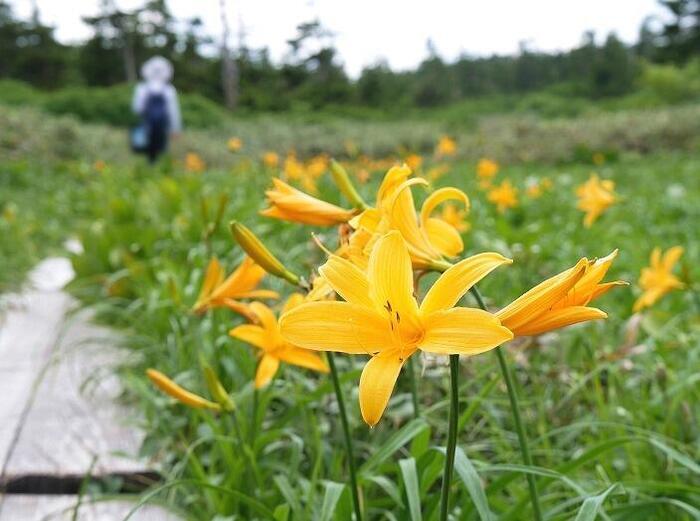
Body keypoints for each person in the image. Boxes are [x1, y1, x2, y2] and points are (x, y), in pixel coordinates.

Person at [131, 56, 182, 163]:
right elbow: (173, 113)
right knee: (162, 151)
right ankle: (160, 174)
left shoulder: (142, 88)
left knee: (148, 153)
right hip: (163, 127)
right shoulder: (169, 90)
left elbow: (137, 109)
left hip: (147, 125)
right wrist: (175, 129)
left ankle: (149, 171)